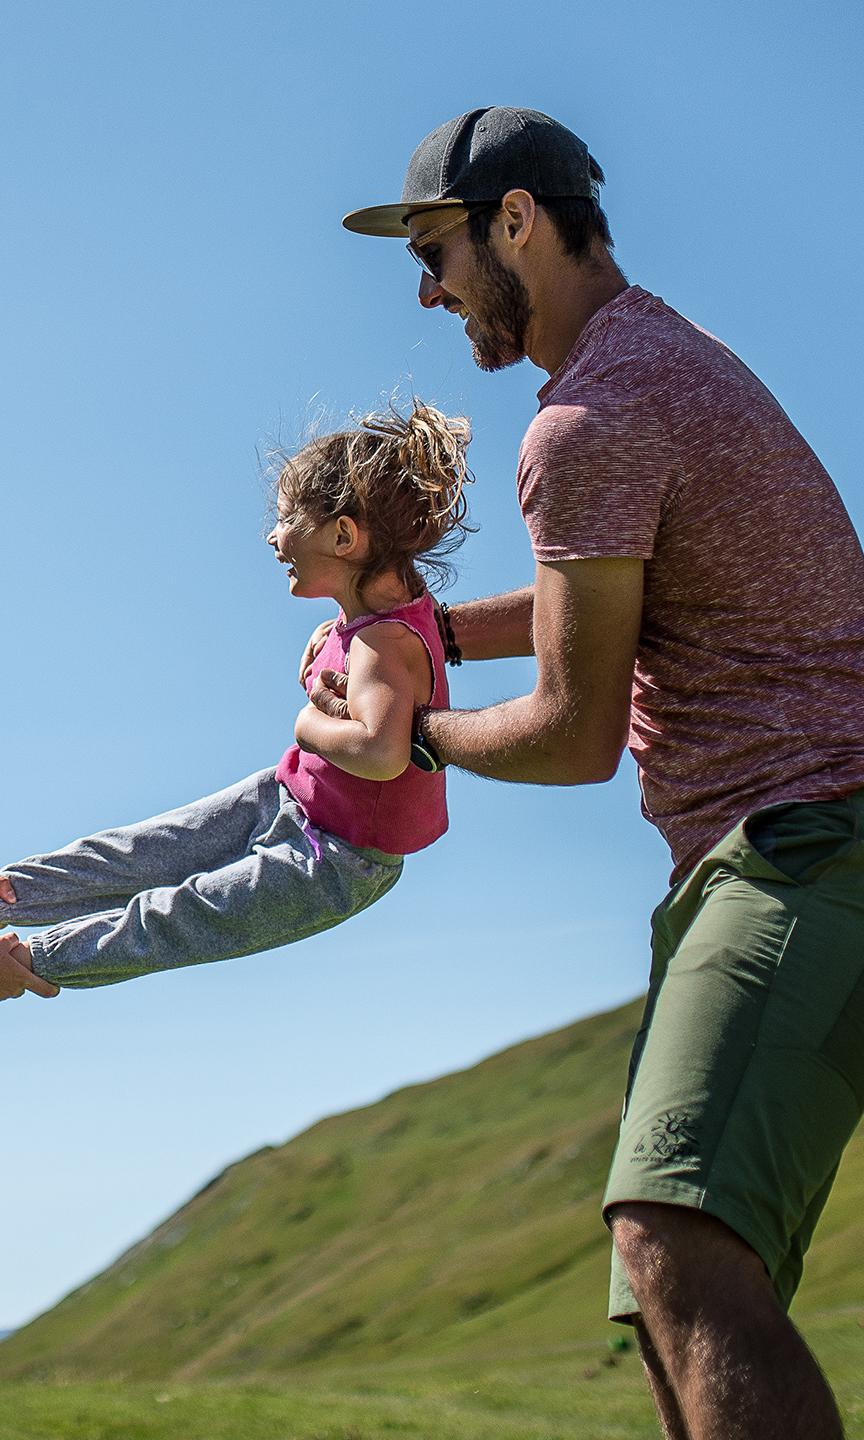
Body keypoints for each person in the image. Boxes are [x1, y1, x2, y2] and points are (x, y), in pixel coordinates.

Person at [327, 107, 864, 1439]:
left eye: (438, 248)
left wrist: (410, 728)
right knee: (665, 1275)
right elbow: (600, 592)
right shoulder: (658, 362)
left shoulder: (592, 418)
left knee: (677, 1239)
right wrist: (428, 636)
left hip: (809, 850)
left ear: (516, 222)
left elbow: (573, 735)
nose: (427, 286)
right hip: (795, 846)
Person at [0, 403, 471, 995]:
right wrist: (338, 631)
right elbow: (394, 611)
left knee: (182, 916)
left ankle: (32, 958)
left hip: (338, 860)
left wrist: (308, 727)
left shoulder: (382, 641)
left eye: (287, 518)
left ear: (344, 535)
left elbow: (380, 752)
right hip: (291, 796)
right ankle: (13, 891)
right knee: (148, 847)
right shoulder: (377, 619)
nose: (274, 537)